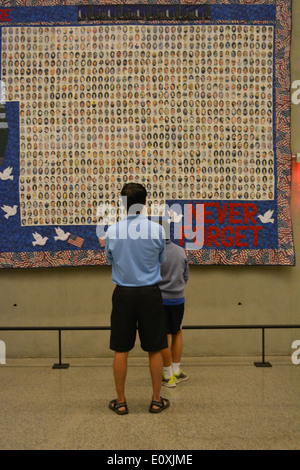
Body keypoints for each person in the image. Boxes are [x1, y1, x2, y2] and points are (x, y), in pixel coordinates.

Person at [105, 183, 170, 414]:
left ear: (122, 204)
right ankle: (155, 400)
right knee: (155, 347)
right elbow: (160, 259)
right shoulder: (158, 230)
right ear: (145, 202)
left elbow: (111, 260)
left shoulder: (112, 231)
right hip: (150, 293)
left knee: (121, 349)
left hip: (123, 293)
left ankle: (121, 402)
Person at [158, 225, 189, 388]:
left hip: (160, 300)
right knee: (177, 331)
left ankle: (168, 374)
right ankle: (176, 370)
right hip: (178, 300)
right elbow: (185, 276)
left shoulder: (154, 252)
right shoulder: (180, 251)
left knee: (163, 335)